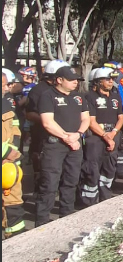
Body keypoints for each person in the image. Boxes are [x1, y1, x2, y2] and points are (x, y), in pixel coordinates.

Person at [34, 65, 89, 227]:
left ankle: (66, 214)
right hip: (55, 145)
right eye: (71, 80)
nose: (75, 83)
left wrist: (78, 134)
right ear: (59, 80)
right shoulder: (47, 96)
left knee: (71, 180)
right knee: (49, 183)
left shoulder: (79, 97)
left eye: (77, 80)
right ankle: (42, 220)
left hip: (75, 144)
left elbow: (85, 119)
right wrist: (67, 138)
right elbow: (47, 122)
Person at [79, 67, 123, 206]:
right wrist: (105, 136)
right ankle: (88, 201)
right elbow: (91, 121)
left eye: (113, 79)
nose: (111, 82)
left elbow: (121, 117)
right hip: (95, 137)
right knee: (92, 168)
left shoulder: (115, 96)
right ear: (98, 82)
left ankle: (105, 197)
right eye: (108, 79)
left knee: (109, 167)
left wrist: (114, 132)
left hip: (113, 135)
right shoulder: (89, 97)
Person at [23, 59, 69, 191]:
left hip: (63, 136)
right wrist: (49, 121)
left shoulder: (64, 90)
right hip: (42, 136)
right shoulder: (38, 91)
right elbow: (30, 113)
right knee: (44, 169)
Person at [2, 70, 25, 237]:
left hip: (9, 166)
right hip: (6, 159)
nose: (6, 88)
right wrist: (7, 152)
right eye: (3, 85)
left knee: (14, 204)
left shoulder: (5, 104)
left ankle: (15, 239)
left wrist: (14, 151)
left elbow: (15, 130)